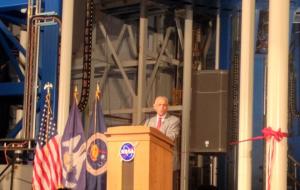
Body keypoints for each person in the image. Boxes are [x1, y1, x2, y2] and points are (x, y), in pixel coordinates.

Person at [144, 96, 181, 190]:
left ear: (167, 107)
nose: (162, 107)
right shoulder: (148, 122)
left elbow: (170, 137)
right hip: (151, 162)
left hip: (168, 162)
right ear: (154, 107)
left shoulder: (174, 120)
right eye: (159, 105)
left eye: (164, 105)